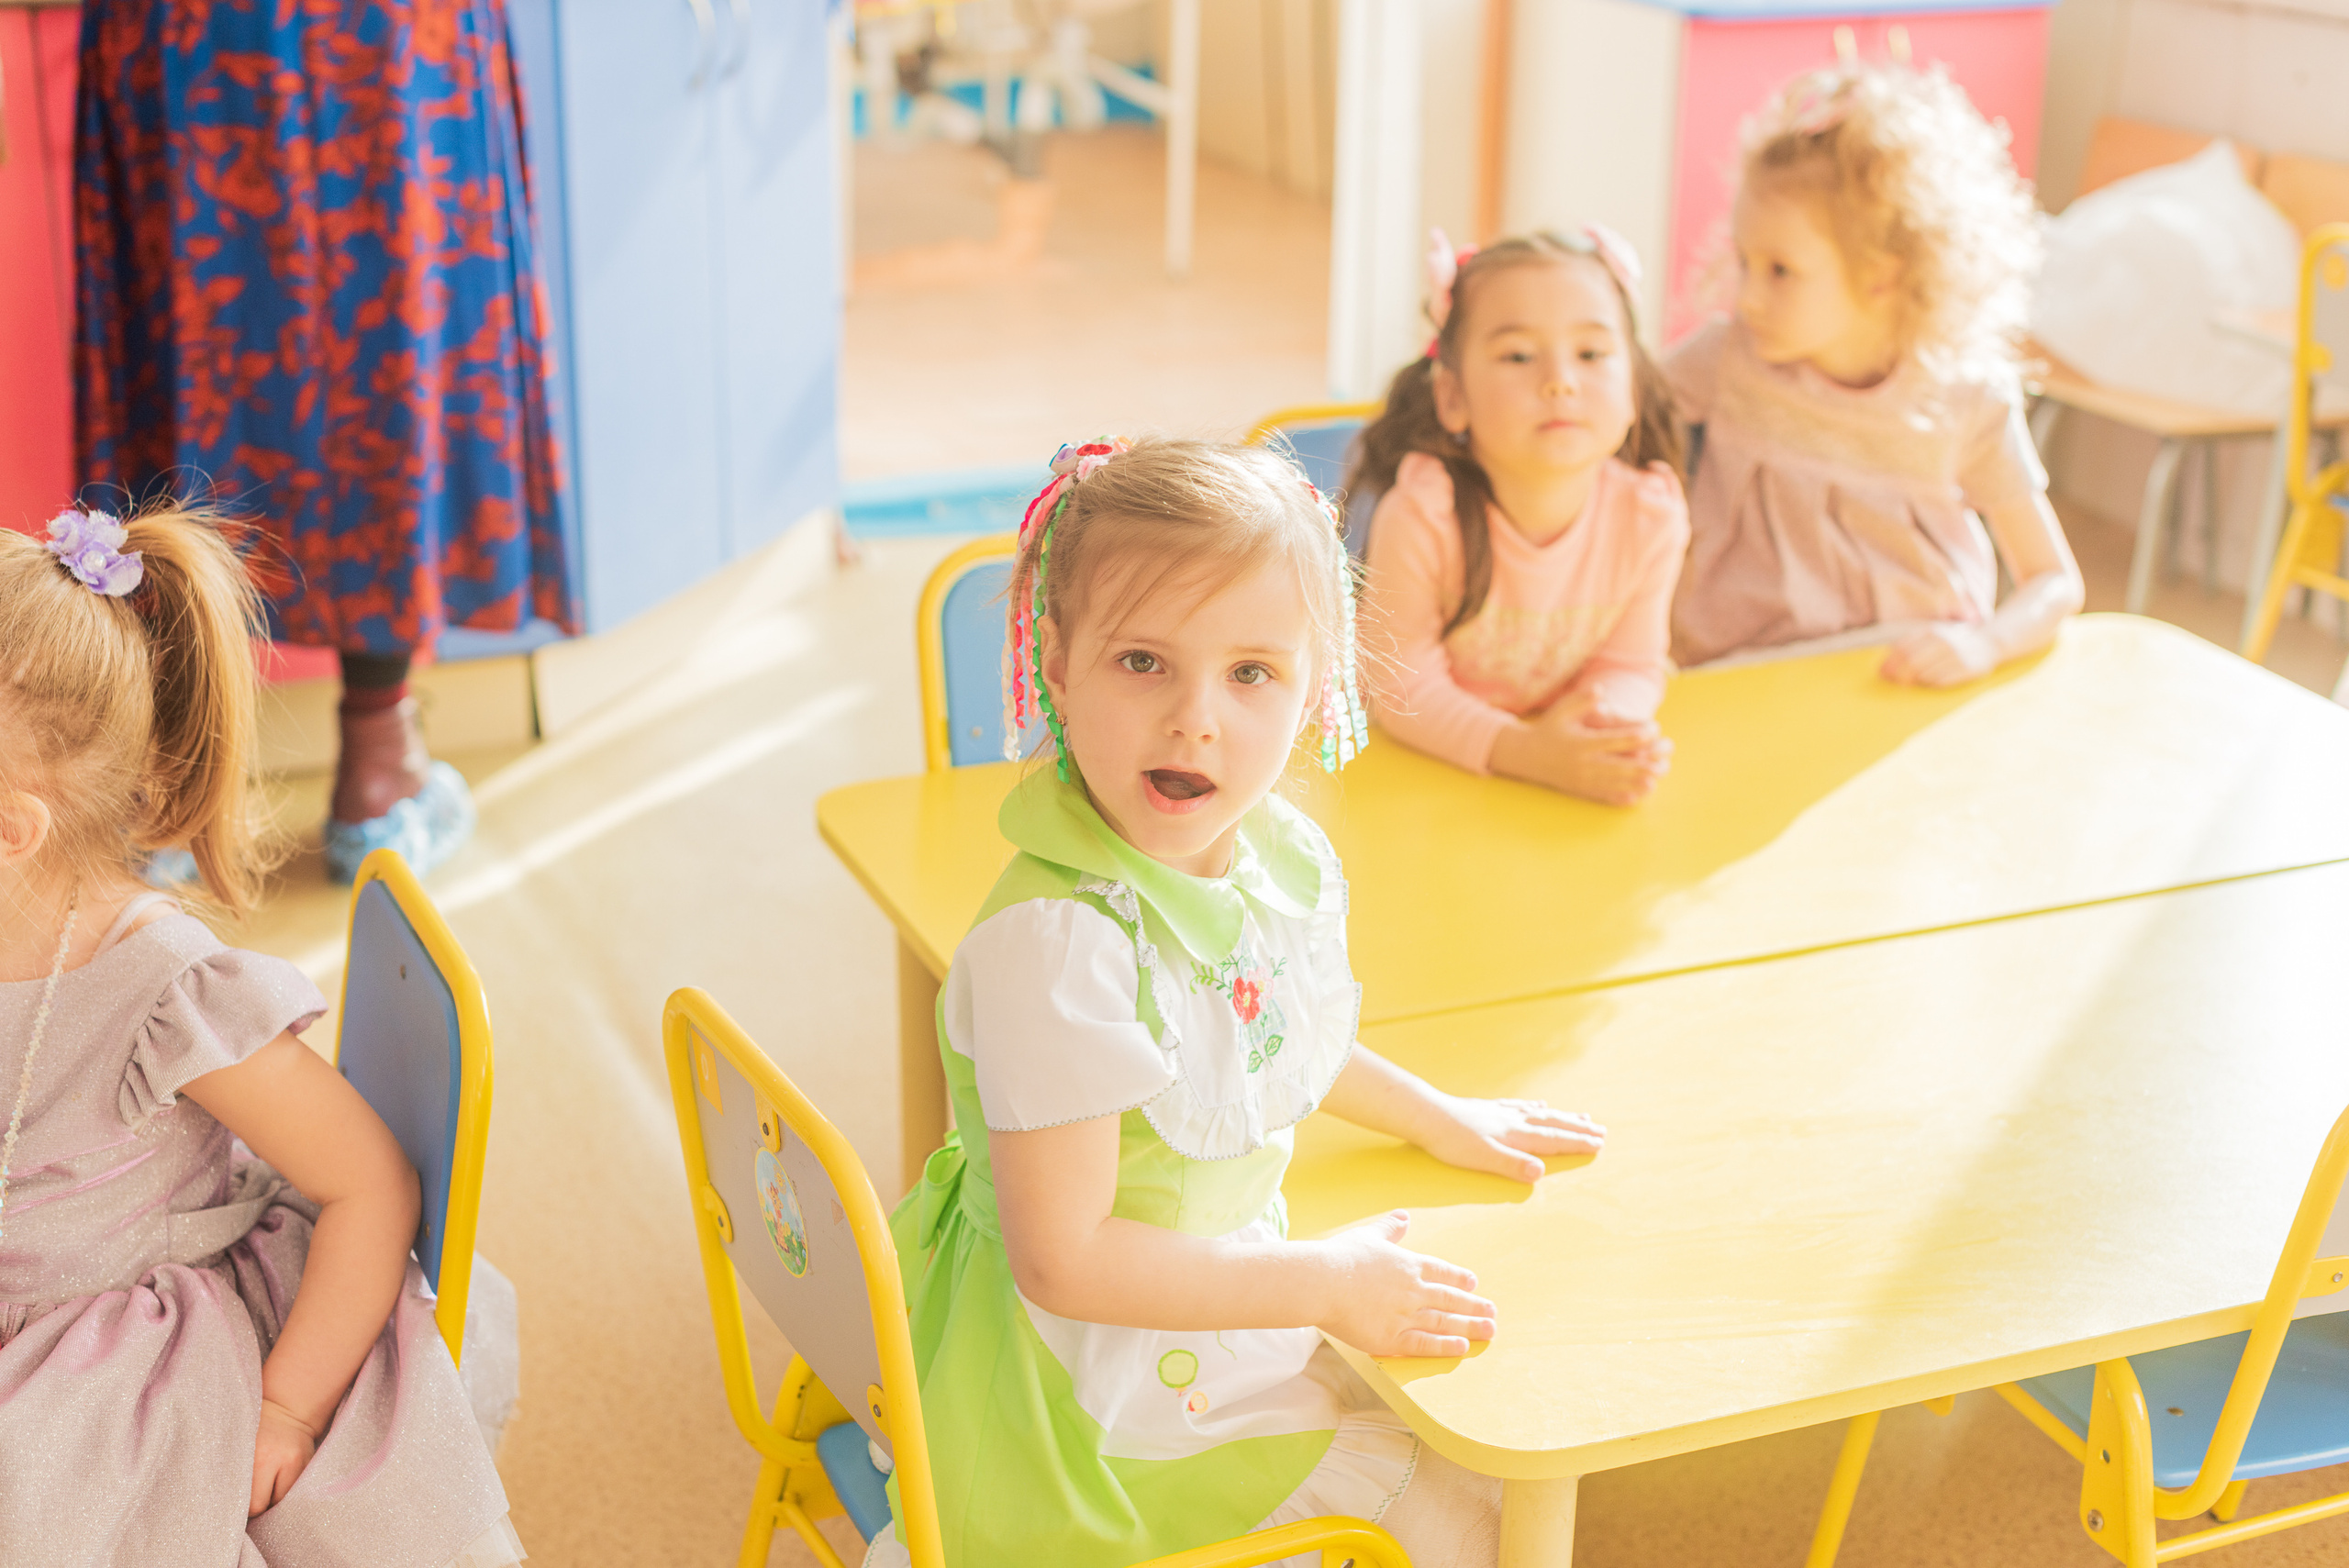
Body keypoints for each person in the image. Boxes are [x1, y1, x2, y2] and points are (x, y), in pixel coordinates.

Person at [867, 439, 1607, 1568]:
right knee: (1464, 1510)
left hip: (1195, 1303)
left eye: (1251, 672)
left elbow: (1260, 1035)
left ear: (1317, 686)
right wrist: (1323, 1279)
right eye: (1143, 662)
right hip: (1084, 1400)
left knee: (1489, 1411)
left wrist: (1435, 1114)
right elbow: (1064, 1260)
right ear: (1056, 664)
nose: (1195, 720)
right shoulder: (1057, 948)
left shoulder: (1262, 851)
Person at [0, 506, 522, 1565]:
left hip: (106, 1354)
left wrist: (285, 1407)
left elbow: (371, 1182)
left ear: (13, 830)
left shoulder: (163, 990)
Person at [74, 0, 573, 880]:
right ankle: (380, 772)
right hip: (383, 38)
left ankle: (168, 785)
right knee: (388, 333)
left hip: (187, 36)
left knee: (199, 330)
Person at [1666, 62, 2085, 678]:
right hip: (1737, 683)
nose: (1747, 297)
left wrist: (1986, 645)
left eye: (1781, 270)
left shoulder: (1965, 402)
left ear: (1882, 274)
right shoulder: (1722, 361)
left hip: (1895, 687)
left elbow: (2053, 581)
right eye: (1745, 261)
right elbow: (1610, 435)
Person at [1352, 228, 1689, 806]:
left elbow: (1632, 665)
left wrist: (1598, 731)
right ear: (1453, 397)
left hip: (1552, 784)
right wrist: (1529, 751)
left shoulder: (1651, 516)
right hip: (1425, 782)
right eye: (1518, 355)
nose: (1560, 379)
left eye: (1591, 354)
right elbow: (1400, 686)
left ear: (1633, 387)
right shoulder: (1422, 515)